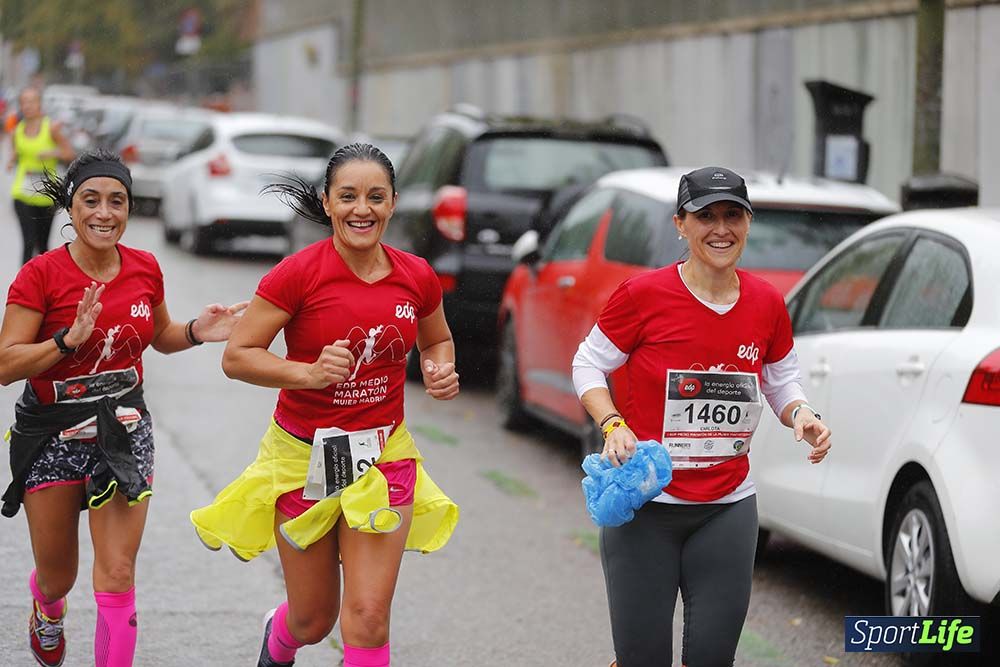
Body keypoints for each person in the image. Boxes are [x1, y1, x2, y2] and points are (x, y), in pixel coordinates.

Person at [190, 143, 461, 667]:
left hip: (382, 457)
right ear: (328, 203)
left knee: (366, 617)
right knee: (313, 619)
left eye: (376, 197)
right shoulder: (298, 274)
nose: (363, 209)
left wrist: (438, 368)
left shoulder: (416, 276)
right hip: (301, 459)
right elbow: (238, 356)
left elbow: (437, 339)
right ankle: (280, 637)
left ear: (393, 203)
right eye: (349, 196)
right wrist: (307, 374)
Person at [572, 166, 832, 667]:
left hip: (728, 507)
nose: (720, 228)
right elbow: (589, 362)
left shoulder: (766, 303)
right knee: (643, 659)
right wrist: (613, 423)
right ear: (681, 225)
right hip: (647, 504)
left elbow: (780, 380)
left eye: (732, 215)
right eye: (705, 215)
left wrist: (801, 413)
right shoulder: (643, 295)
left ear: (748, 222)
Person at [0, 149, 248, 667]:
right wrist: (65, 342)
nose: (104, 212)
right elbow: (5, 364)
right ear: (71, 208)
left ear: (130, 208)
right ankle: (47, 609)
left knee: (116, 574)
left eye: (117, 201)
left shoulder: (144, 267)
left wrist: (199, 330)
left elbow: (160, 335)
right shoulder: (40, 276)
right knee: (57, 575)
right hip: (53, 432)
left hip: (124, 431)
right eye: (91, 200)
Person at [6, 87, 75, 265]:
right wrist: (12, 161)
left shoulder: (51, 128)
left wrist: (52, 153)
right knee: (28, 241)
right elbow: (15, 154)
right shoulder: (17, 131)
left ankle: (45, 287)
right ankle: (23, 288)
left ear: (39, 104)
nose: (28, 106)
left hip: (46, 195)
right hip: (22, 193)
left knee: (42, 245)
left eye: (32, 101)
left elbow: (69, 153)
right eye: (24, 102)